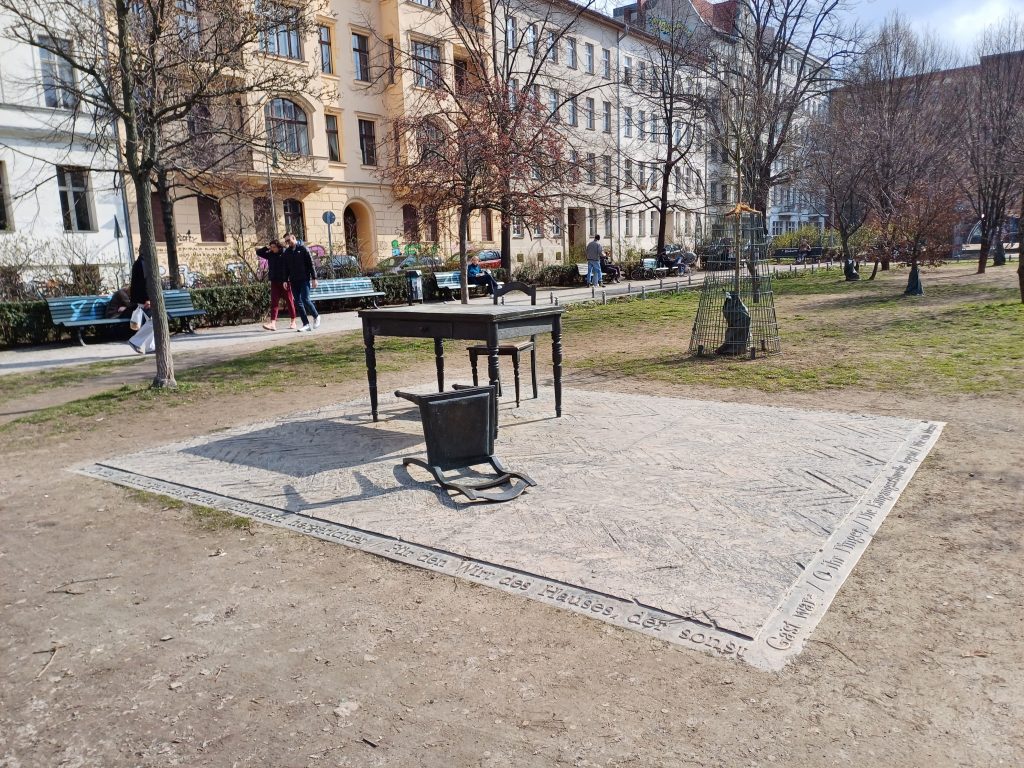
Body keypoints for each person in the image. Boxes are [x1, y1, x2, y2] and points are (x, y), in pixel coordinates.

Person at [257, 240, 296, 331]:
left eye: (274, 247)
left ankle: (293, 321)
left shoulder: (285, 254)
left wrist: (286, 279)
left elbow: (289, 267)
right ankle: (273, 323)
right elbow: (258, 252)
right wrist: (267, 247)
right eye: (271, 247)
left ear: (278, 247)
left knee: (289, 301)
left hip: (285, 282)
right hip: (274, 281)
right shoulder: (270, 254)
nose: (272, 249)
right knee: (274, 302)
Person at [283, 232, 319, 332]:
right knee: (298, 302)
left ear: (294, 238)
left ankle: (316, 316)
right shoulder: (287, 252)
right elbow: (286, 267)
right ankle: (306, 324)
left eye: (288, 240)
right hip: (294, 281)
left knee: (305, 299)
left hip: (304, 279)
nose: (287, 243)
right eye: (286, 241)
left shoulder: (303, 249)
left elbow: (311, 264)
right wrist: (285, 280)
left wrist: (314, 278)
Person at [126, 253, 154, 354]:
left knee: (150, 321)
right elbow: (146, 282)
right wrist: (148, 298)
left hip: (141, 298)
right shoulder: (144, 263)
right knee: (154, 321)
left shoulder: (139, 262)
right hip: (145, 298)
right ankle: (135, 341)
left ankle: (150, 347)